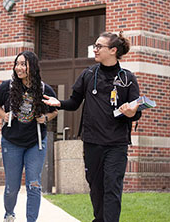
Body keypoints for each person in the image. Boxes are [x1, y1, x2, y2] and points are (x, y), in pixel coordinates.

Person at [43, 32, 142, 222]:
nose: (94, 49)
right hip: (92, 142)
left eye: (99, 46)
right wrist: (59, 103)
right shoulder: (88, 74)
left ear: (113, 51)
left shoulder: (128, 78)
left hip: (116, 144)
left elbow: (136, 111)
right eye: (95, 45)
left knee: (112, 187)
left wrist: (131, 112)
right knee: (96, 189)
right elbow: (74, 102)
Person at [0, 51, 58, 222]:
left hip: (35, 143)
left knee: (34, 184)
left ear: (32, 67)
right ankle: (9, 214)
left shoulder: (44, 89)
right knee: (12, 187)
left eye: (23, 64)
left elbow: (55, 110)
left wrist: (45, 118)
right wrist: (4, 116)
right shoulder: (7, 86)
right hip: (12, 142)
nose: (19, 68)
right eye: (17, 64)